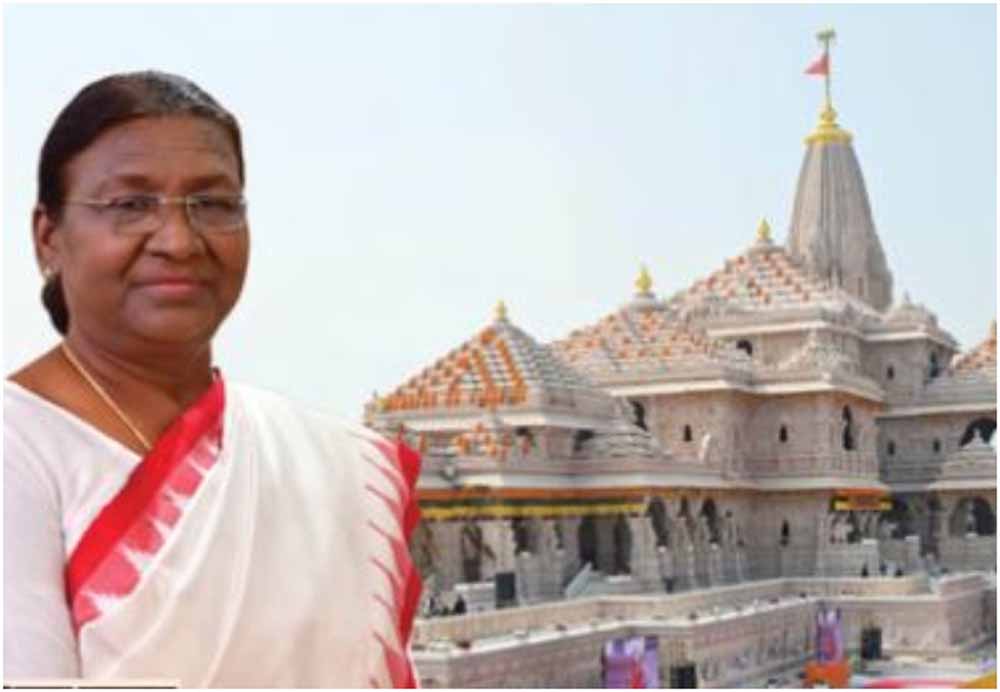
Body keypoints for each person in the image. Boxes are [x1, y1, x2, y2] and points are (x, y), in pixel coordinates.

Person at [3, 71, 422, 687]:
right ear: (48, 238)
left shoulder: (331, 460)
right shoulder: (19, 443)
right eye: (130, 205)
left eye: (214, 205)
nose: (178, 241)